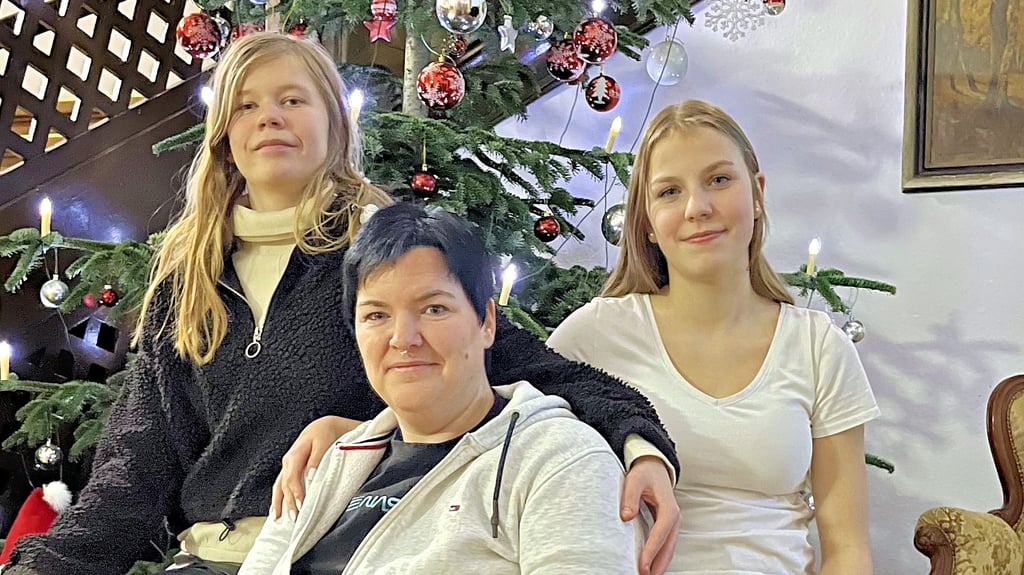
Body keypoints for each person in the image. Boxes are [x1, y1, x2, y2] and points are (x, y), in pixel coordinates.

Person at [3, 33, 678, 575]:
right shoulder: (187, 281)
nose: (269, 116)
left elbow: (533, 369)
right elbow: (133, 468)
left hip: (344, 547)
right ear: (224, 136)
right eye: (246, 105)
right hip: (207, 558)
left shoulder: (384, 257)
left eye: (292, 99)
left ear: (334, 121)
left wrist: (640, 442)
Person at [546, 100, 880, 574]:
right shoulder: (594, 335)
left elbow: (848, 550)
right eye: (669, 192)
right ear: (646, 222)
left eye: (719, 180)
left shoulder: (819, 347)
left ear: (757, 194)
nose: (697, 208)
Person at [240, 202, 645, 574]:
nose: (403, 339)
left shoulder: (560, 461)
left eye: (434, 309)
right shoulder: (330, 461)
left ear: (487, 322)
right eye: (376, 315)